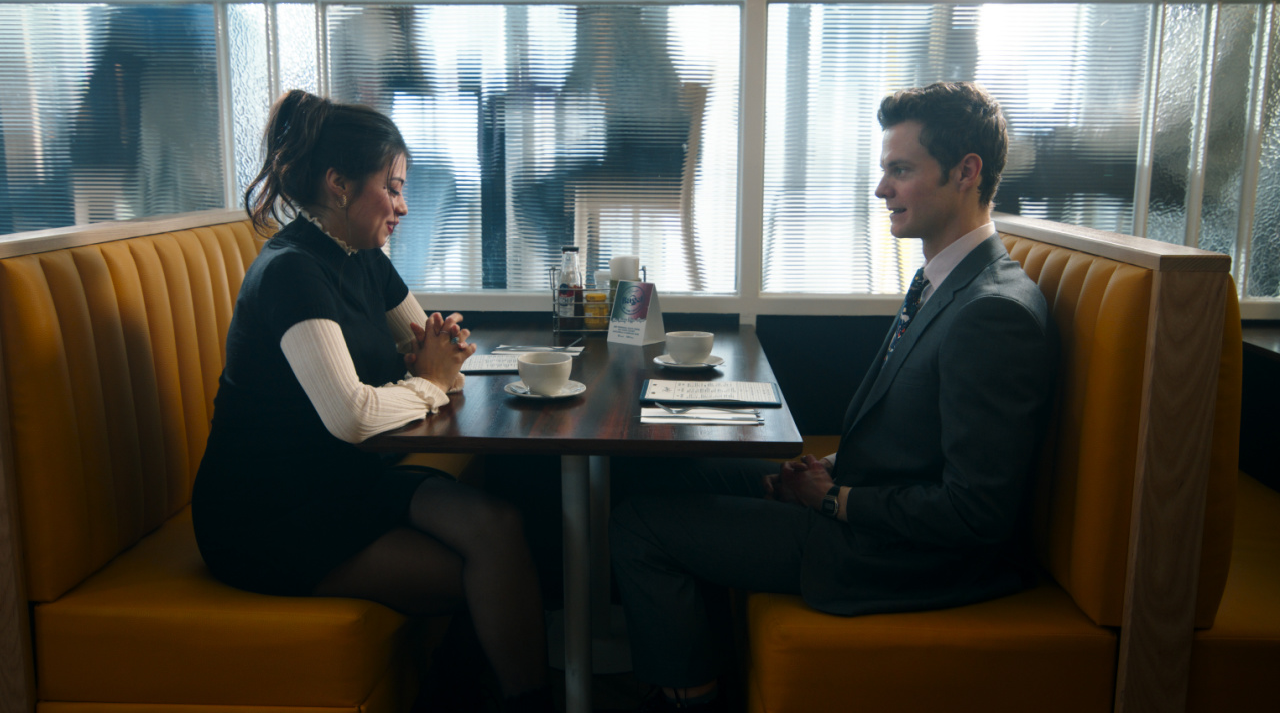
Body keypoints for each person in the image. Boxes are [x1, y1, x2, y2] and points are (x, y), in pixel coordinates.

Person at [608, 81, 1058, 712]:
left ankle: (691, 697)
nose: (882, 191)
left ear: (967, 172)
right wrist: (826, 471)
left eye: (900, 171)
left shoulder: (993, 313)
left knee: (639, 525)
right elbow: (912, 436)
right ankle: (686, 669)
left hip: (898, 559)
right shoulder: (945, 281)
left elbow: (978, 512)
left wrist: (836, 502)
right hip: (872, 516)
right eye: (884, 171)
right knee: (666, 471)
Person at [191, 90, 553, 713]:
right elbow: (354, 416)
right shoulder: (292, 271)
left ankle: (501, 696)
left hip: (341, 482)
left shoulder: (361, 258)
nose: (404, 206)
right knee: (477, 572)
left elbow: (440, 353)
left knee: (500, 528)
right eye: (392, 187)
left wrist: (438, 367)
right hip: (267, 515)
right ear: (338, 185)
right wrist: (429, 383)